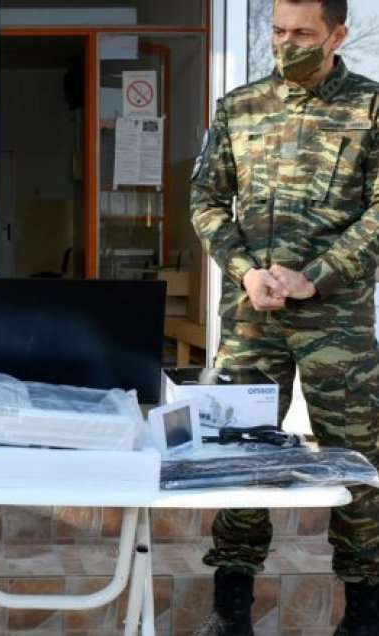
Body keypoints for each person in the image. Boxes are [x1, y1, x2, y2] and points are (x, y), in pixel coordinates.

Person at [191, 0, 379, 634]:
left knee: (357, 462)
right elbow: (207, 199)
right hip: (251, 316)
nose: (286, 42)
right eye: (277, 31)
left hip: (338, 325)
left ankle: (364, 612)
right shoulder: (238, 107)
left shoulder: (370, 109)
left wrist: (315, 276)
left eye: (302, 32)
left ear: (336, 35)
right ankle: (232, 608)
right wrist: (244, 268)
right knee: (237, 458)